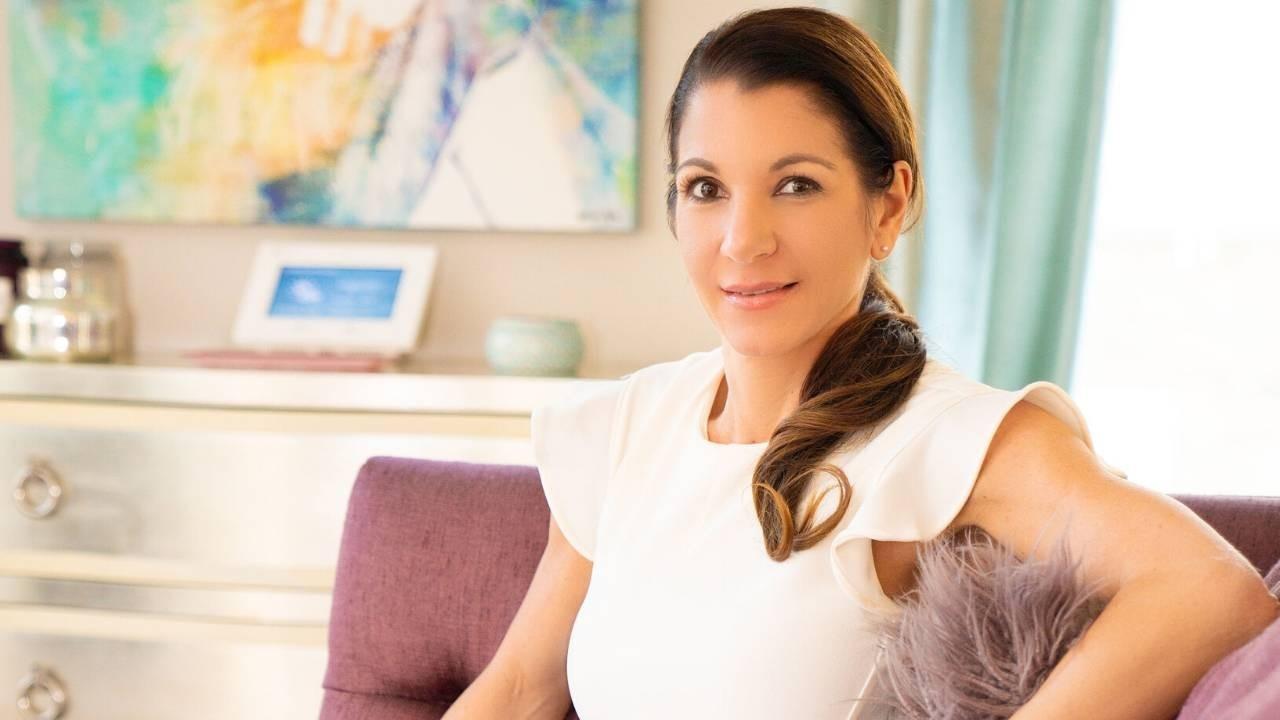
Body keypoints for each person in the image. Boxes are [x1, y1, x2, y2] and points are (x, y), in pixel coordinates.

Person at [443, 7, 1279, 720]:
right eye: (705, 188)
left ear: (888, 205)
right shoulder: (626, 426)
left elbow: (1212, 594)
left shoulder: (952, 437)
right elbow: (518, 691)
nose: (742, 239)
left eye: (796, 185)